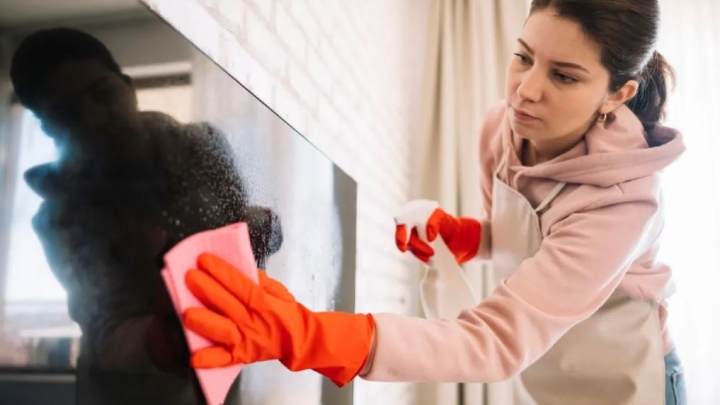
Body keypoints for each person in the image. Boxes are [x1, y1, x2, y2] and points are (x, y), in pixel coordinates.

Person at [177, 0, 687, 404]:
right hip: (547, 367)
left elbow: (497, 341)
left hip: (625, 383)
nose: (525, 91)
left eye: (564, 76)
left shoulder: (622, 203)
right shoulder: (501, 129)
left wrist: (313, 337)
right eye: (524, 57)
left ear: (618, 94)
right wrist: (467, 235)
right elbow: (521, 232)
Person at [10, 27, 283, 404]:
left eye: (102, 94)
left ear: (127, 86)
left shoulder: (204, 148)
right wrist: (164, 340)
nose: (93, 118)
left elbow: (242, 227)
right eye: (67, 112)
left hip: (219, 377)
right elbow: (105, 329)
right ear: (49, 128)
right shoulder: (60, 217)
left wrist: (261, 233)